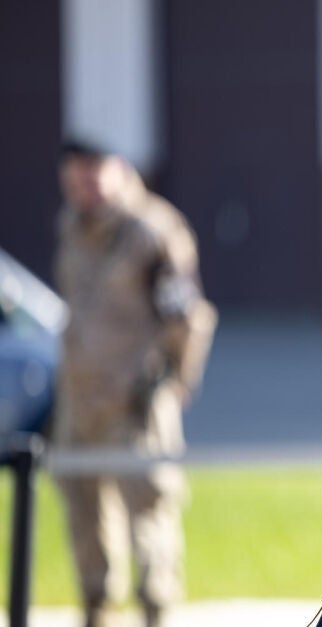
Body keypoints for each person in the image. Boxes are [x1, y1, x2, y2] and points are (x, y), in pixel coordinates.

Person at [52, 140, 216, 627]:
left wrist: (175, 381)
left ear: (119, 170)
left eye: (94, 174)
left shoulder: (150, 231)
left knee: (150, 517)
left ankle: (155, 613)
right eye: (75, 178)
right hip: (79, 399)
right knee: (83, 519)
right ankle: (96, 609)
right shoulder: (72, 226)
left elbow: (188, 316)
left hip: (134, 401)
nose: (85, 188)